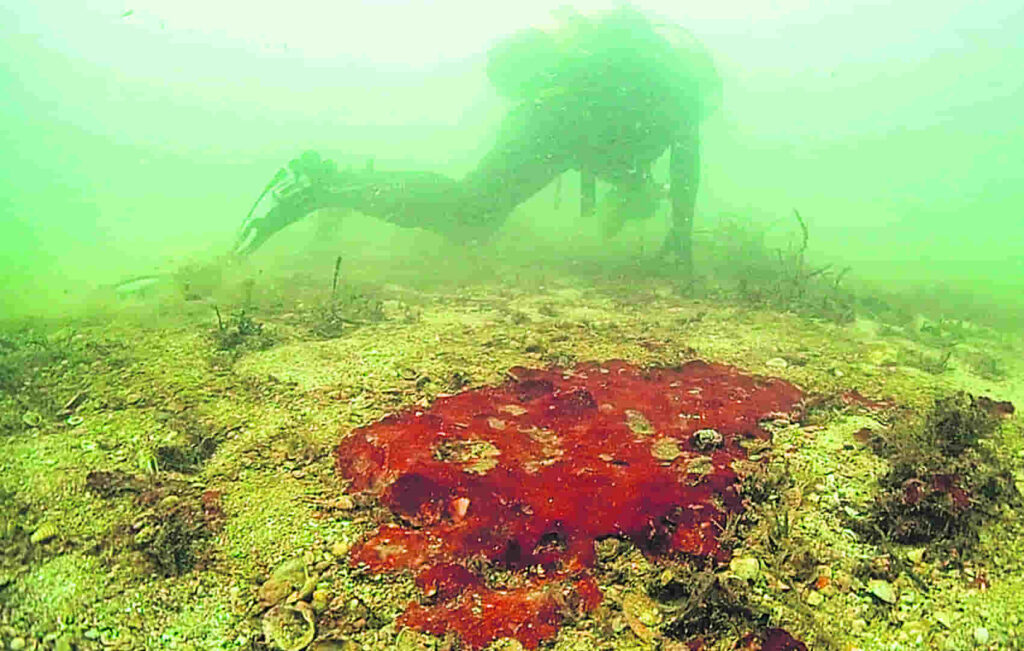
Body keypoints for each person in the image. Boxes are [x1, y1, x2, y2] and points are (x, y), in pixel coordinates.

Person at [234, 5, 720, 275]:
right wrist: (679, 232)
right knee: (471, 214)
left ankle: (343, 183)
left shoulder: (648, 89)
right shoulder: (673, 95)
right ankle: (321, 185)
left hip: (558, 121)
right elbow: (684, 157)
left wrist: (648, 200)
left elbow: (623, 162)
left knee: (474, 215)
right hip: (560, 122)